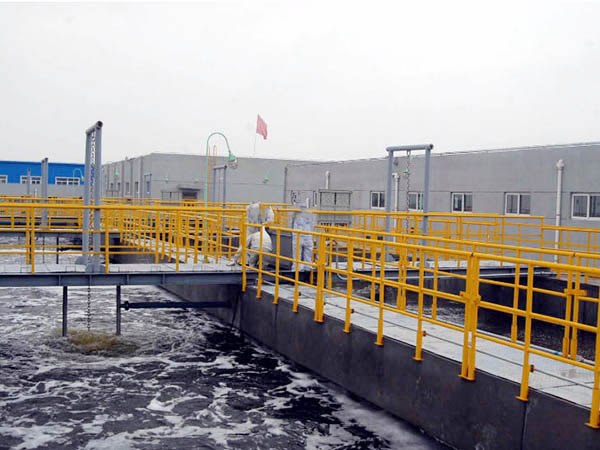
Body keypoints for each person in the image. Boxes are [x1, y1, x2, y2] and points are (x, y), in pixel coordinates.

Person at [291, 204, 315, 271]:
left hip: (304, 235)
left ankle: (304, 268)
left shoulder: (297, 213)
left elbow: (312, 224)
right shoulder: (309, 213)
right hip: (302, 235)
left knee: (303, 253)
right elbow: (312, 225)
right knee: (300, 254)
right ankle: (299, 269)